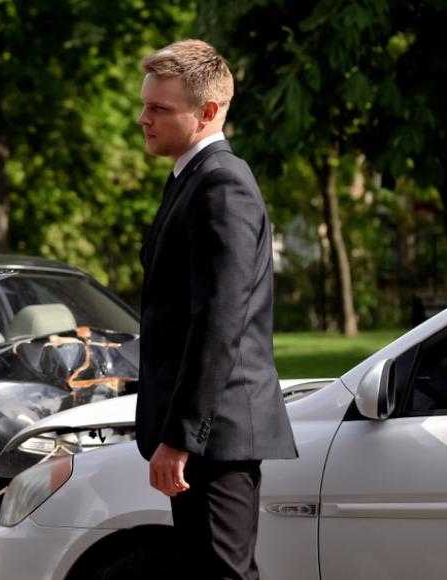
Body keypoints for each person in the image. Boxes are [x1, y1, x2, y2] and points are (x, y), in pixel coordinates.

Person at [134, 40, 298, 579]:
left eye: (159, 109)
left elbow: (220, 323)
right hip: (208, 429)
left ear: (207, 112)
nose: (143, 119)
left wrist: (181, 437)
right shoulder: (190, 177)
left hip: (215, 433)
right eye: (144, 105)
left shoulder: (222, 184)